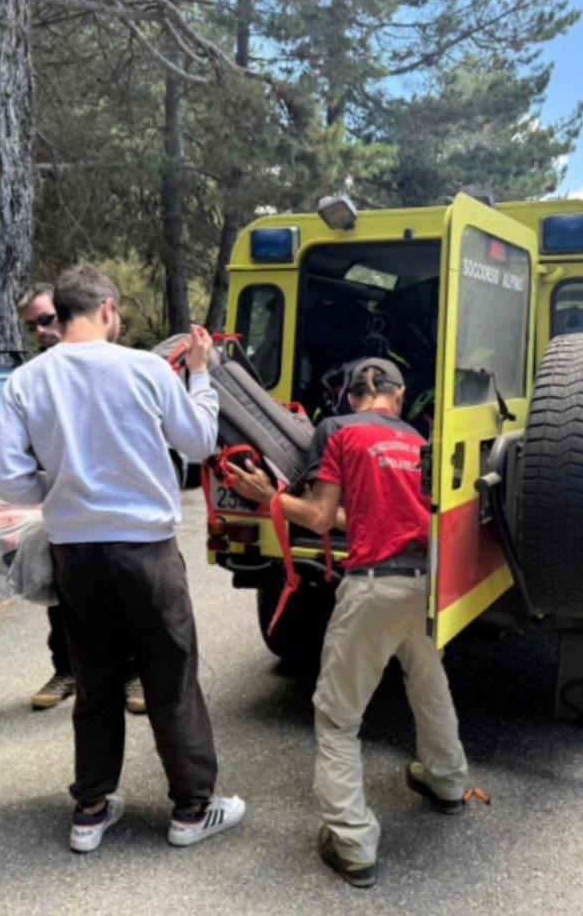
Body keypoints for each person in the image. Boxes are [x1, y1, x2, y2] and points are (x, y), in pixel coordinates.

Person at [0, 264, 244, 854]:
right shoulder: (147, 368)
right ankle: (191, 808)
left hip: (75, 552)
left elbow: (8, 478)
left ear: (63, 310)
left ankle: (90, 809)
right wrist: (201, 375)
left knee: (95, 678)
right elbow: (200, 443)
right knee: (170, 673)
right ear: (107, 308)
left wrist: (56, 493)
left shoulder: (27, 380)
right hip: (146, 549)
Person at [228, 358, 470, 890]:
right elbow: (362, 514)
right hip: (427, 584)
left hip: (374, 586)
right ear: (398, 393)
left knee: (336, 717)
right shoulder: (416, 438)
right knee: (429, 684)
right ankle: (448, 782)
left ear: (350, 394)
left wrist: (266, 498)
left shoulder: (335, 431)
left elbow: (318, 518)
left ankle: (352, 842)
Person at [16, 282, 145, 714]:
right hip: (64, 513)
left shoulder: (116, 364)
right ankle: (67, 670)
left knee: (124, 599)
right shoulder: (36, 376)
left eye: (47, 319)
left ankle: (132, 674)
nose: (40, 331)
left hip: (120, 512)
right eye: (31, 325)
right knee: (61, 596)